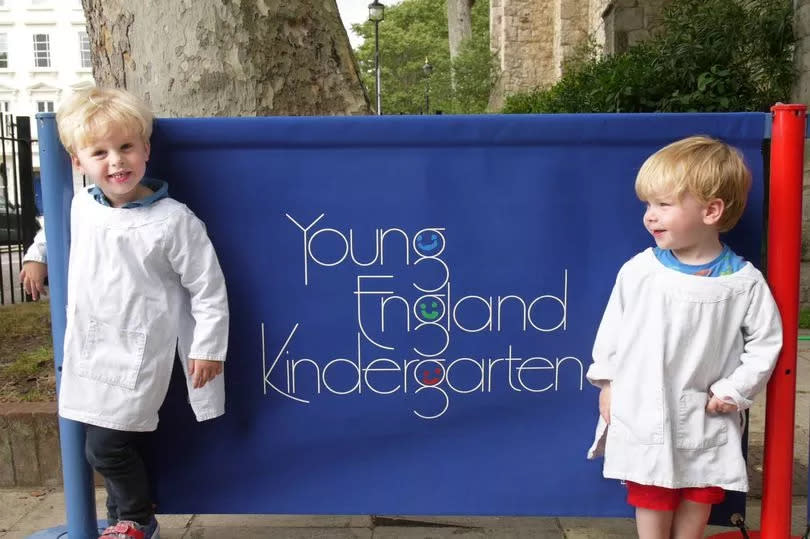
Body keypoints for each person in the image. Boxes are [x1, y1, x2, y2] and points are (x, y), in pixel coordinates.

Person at [19, 87, 229, 539]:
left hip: (138, 353)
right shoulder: (81, 206)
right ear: (78, 162)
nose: (116, 161)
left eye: (126, 147)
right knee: (109, 437)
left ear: (146, 150)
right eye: (100, 152)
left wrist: (209, 347)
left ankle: (138, 518)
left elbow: (207, 287)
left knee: (107, 446)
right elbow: (53, 231)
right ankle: (121, 521)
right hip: (91, 348)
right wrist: (37, 256)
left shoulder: (173, 220)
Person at [586, 135, 782, 538]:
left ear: (711, 210)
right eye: (647, 205)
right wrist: (607, 383)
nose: (650, 216)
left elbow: (765, 343)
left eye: (663, 205)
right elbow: (612, 331)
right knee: (651, 488)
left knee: (700, 489)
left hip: (706, 413)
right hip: (645, 404)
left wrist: (734, 388)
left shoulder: (743, 283)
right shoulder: (640, 270)